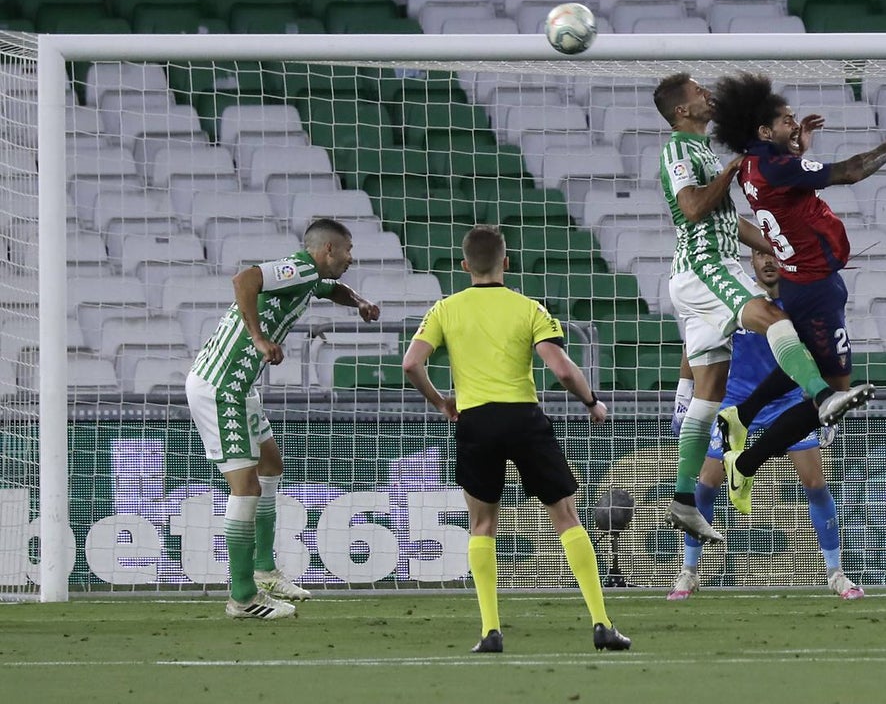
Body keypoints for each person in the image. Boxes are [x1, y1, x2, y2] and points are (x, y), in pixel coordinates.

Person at [653, 72, 876, 546]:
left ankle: (682, 500)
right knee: (775, 319)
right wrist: (729, 174)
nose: (707, 95)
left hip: (696, 273)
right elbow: (693, 208)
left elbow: (728, 220)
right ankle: (821, 396)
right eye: (698, 93)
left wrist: (774, 243)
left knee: (708, 397)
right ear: (682, 111)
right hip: (704, 266)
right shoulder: (678, 149)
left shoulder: (701, 151)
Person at [401, 225, 630, 654]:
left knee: (482, 525)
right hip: (523, 418)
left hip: (475, 422)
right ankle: (601, 623)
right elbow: (562, 370)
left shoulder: (445, 309)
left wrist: (441, 403)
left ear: (465, 265)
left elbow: (411, 363)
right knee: (565, 517)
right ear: (506, 263)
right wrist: (592, 402)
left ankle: (490, 631)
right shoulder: (529, 308)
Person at [707, 72, 886, 512]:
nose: (794, 125)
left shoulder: (754, 164)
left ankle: (741, 417)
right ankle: (746, 463)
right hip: (815, 286)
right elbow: (848, 172)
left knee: (805, 369)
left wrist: (797, 146)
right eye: (786, 121)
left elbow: (784, 184)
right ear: (764, 131)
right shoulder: (775, 166)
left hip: (802, 281)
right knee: (833, 392)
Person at [185, 218, 380, 619]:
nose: (350, 257)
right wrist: (258, 338)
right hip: (221, 387)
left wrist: (358, 300)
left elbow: (332, 289)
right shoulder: (299, 267)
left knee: (271, 463)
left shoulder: (309, 277)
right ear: (328, 249)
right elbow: (244, 279)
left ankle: (264, 571)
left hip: (240, 388)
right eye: (347, 250)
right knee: (246, 487)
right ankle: (242, 596)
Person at [667, 250, 863, 601]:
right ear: (752, 262)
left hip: (787, 400)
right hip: (736, 402)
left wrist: (822, 403)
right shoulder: (737, 300)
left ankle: (835, 573)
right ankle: (689, 571)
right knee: (707, 484)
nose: (768, 261)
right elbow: (695, 343)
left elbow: (821, 349)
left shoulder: (798, 301)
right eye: (760, 255)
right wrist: (685, 396)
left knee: (816, 483)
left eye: (773, 254)